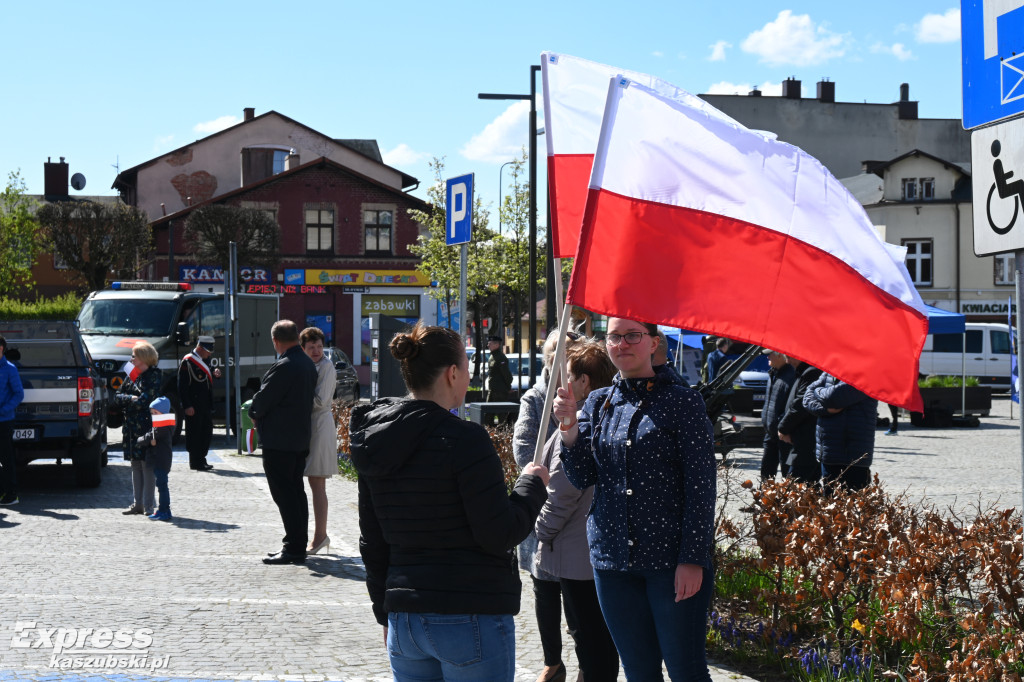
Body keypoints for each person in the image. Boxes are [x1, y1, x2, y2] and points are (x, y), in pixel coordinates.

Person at [350, 322, 549, 682]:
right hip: (468, 610)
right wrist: (531, 487)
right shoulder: (466, 440)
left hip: (405, 614)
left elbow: (372, 540)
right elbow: (499, 532)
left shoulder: (375, 438)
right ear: (453, 373)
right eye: (467, 369)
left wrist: (385, 612)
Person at [553, 319, 717, 682]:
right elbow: (583, 477)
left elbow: (702, 487)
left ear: (653, 343)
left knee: (686, 671)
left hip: (670, 562)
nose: (622, 344)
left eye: (632, 336)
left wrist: (692, 558)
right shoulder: (598, 402)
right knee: (639, 672)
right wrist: (568, 429)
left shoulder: (683, 402)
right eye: (614, 336)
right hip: (612, 562)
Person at [536, 338, 620, 682]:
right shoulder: (608, 415)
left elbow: (563, 489)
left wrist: (539, 528)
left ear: (584, 382)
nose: (561, 382)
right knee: (597, 643)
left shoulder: (580, 423)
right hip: (590, 550)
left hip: (575, 552)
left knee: (590, 642)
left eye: (567, 374)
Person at [512, 329, 581, 682]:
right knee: (545, 588)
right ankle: (553, 662)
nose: (562, 364)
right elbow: (524, 452)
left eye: (570, 357)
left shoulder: (592, 395)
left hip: (581, 508)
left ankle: (587, 660)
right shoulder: (535, 398)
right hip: (545, 504)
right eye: (556, 357)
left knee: (579, 592)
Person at [249, 320, 317, 565]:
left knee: (285, 494)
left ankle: (293, 547)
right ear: (297, 337)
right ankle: (296, 542)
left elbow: (263, 400)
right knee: (295, 492)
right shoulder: (307, 363)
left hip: (280, 440)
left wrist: (254, 412)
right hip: (298, 438)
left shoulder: (285, 365)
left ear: (275, 341)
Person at [802, 372, 878, 491]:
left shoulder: (865, 374)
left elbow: (833, 397)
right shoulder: (829, 372)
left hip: (853, 456)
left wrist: (818, 391)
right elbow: (806, 397)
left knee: (853, 504)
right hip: (828, 453)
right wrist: (825, 409)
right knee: (829, 503)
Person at [300, 326, 337, 555]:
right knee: (313, 484)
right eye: (311, 347)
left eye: (319, 346)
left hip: (321, 427)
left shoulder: (326, 366)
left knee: (317, 484)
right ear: (303, 348)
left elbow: (321, 401)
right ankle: (317, 535)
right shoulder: (309, 365)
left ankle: (320, 536)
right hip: (309, 427)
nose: (316, 351)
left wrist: (293, 398)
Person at [116, 341, 163, 516]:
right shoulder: (133, 375)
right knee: (135, 464)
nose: (131, 359)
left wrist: (131, 400)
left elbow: (145, 401)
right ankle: (138, 504)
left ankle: (149, 505)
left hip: (145, 426)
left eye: (134, 356)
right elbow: (117, 396)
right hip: (131, 427)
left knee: (147, 465)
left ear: (143, 358)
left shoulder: (154, 376)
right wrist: (131, 398)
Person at [177, 335, 221, 471]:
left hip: (206, 403)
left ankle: (202, 458)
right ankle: (195, 462)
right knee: (194, 433)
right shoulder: (188, 362)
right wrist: (187, 405)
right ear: (200, 348)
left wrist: (215, 372)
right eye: (207, 351)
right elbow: (182, 386)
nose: (209, 354)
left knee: (206, 432)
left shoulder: (205, 359)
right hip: (194, 404)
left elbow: (208, 369)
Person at [777, 358, 823, 484]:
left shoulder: (811, 373)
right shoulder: (803, 372)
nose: (787, 361)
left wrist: (783, 428)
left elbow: (799, 405)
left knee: (795, 484)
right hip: (803, 438)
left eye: (788, 357)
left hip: (807, 439)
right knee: (809, 486)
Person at [760, 350, 796, 482]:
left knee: (788, 473)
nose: (767, 356)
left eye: (771, 354)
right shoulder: (774, 373)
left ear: (781, 355)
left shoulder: (790, 376)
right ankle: (765, 500)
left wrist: (782, 427)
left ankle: (786, 501)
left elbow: (791, 406)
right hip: (771, 432)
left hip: (784, 434)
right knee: (766, 472)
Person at [137, 396, 175, 521]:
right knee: (161, 485)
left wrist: (140, 440)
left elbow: (150, 437)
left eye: (155, 412)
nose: (153, 415)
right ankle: (164, 510)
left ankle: (164, 510)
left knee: (162, 486)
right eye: (152, 413)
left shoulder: (163, 426)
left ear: (163, 412)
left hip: (161, 460)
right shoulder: (161, 425)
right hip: (160, 460)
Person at [0, 335, 24, 506]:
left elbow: (18, 394)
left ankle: (11, 494)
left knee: (6, 458)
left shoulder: (10, 369)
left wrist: (3, 410)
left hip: (4, 421)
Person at [486, 334, 514, 402]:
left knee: (498, 411)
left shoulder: (501, 358)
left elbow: (506, 374)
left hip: (500, 391)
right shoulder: (492, 356)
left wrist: (508, 387)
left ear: (497, 345)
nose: (488, 345)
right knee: (488, 411)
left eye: (490, 344)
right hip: (492, 390)